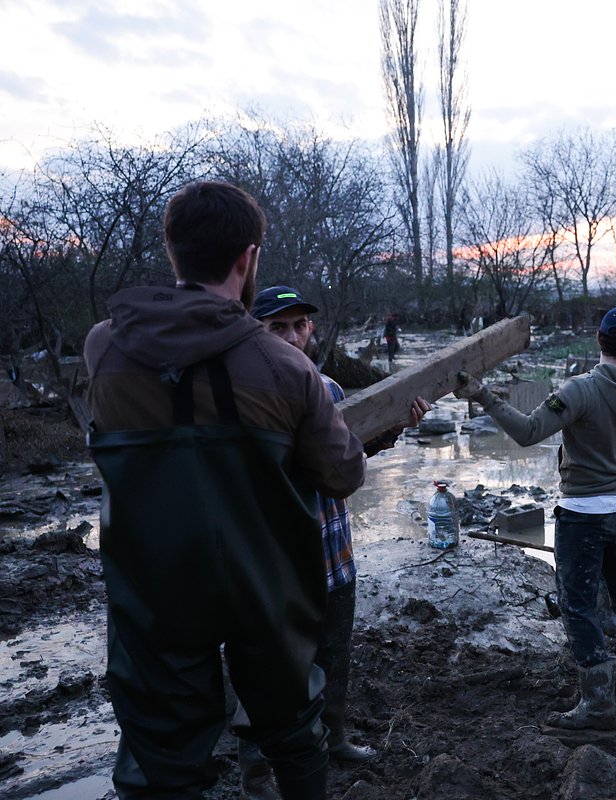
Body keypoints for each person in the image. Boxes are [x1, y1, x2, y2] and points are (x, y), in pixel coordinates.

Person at [84, 181, 365, 799]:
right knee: (294, 729)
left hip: (152, 589)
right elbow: (342, 474)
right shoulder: (287, 368)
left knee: (158, 758)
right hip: (262, 588)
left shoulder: (104, 347)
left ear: (172, 251)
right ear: (248, 259)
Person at [237, 287, 429, 797]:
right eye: (278, 328)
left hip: (333, 556)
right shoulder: (237, 399)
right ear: (256, 333)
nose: (291, 336)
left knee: (333, 656)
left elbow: (349, 451)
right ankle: (256, 768)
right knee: (267, 672)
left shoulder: (329, 389)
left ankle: (334, 737)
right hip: (274, 570)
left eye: (298, 326)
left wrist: (394, 427)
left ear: (311, 331)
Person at [453, 306, 616, 730]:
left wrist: (482, 394)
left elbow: (527, 431)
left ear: (598, 339)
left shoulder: (580, 389)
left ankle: (597, 703)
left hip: (583, 514)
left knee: (578, 604)